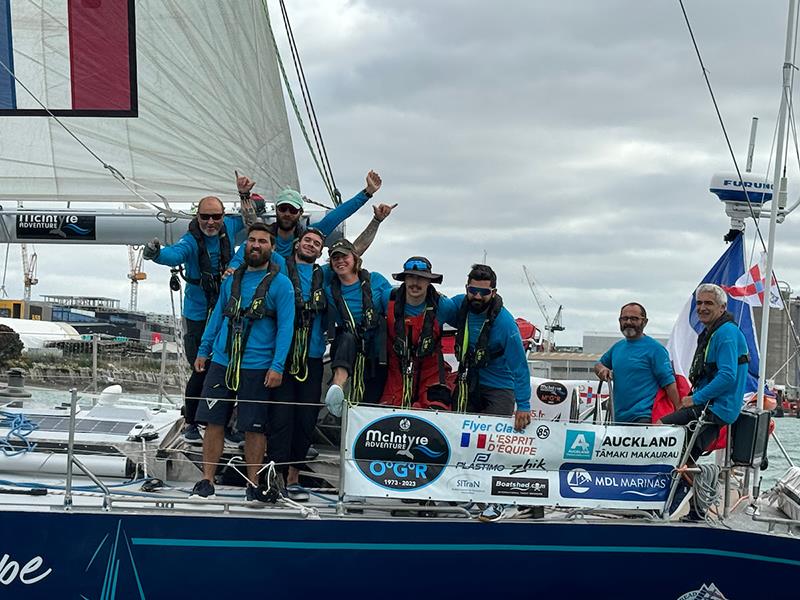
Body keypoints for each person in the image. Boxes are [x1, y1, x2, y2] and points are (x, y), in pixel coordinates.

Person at [190, 223, 295, 500]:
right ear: (245, 245)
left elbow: (286, 328)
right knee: (213, 421)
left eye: (262, 241)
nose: (256, 245)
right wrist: (204, 349)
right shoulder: (232, 279)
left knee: (253, 426)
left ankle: (253, 483)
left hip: (258, 365)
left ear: (272, 248)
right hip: (223, 361)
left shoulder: (281, 285)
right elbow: (217, 317)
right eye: (251, 240)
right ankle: (206, 480)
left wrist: (277, 365)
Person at [142, 196, 245, 444]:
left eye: (216, 217)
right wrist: (156, 254)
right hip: (198, 314)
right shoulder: (190, 241)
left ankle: (225, 422)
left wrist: (252, 201)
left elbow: (252, 227)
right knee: (199, 368)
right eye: (205, 217)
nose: (210, 222)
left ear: (223, 216)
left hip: (224, 311)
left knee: (228, 368)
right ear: (196, 217)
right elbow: (174, 255)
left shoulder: (230, 226)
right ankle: (190, 422)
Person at [659, 284, 748, 461]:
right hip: (710, 405)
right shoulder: (714, 332)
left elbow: (727, 376)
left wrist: (694, 399)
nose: (702, 308)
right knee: (680, 454)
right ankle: (687, 486)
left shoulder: (726, 333)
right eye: (699, 303)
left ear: (722, 308)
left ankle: (694, 486)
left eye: (709, 303)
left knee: (660, 430)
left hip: (715, 408)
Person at [446, 264, 531, 431]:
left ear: (493, 293)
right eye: (473, 291)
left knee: (493, 439)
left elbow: (520, 367)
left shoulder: (506, 324)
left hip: (499, 387)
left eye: (484, 292)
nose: (477, 296)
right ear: (467, 289)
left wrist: (523, 406)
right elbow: (433, 309)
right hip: (469, 383)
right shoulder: (457, 305)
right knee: (457, 432)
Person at [232, 170, 383, 260]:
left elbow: (338, 215)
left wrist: (367, 192)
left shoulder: (309, 236)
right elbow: (250, 222)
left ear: (300, 213)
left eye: (292, 210)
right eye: (283, 208)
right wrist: (244, 194)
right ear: (277, 209)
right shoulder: (264, 235)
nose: (287, 214)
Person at [323, 239, 392, 416]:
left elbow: (393, 302)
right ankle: (337, 387)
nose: (340, 261)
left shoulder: (375, 280)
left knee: (372, 398)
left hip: (375, 348)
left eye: (344, 256)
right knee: (346, 338)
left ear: (355, 258)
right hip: (347, 344)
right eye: (335, 258)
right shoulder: (329, 290)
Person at [379, 256, 456, 410]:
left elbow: (473, 319)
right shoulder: (386, 298)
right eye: (411, 277)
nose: (415, 283)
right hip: (395, 372)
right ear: (404, 280)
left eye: (421, 278)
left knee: (435, 408)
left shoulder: (445, 306)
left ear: (429, 281)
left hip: (430, 372)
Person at [594, 302, 679, 423]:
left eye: (634, 319)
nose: (628, 322)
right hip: (618, 419)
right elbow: (598, 364)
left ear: (645, 322)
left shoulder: (656, 349)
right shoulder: (617, 347)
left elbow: (669, 382)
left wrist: (679, 412)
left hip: (644, 418)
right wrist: (602, 369)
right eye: (625, 318)